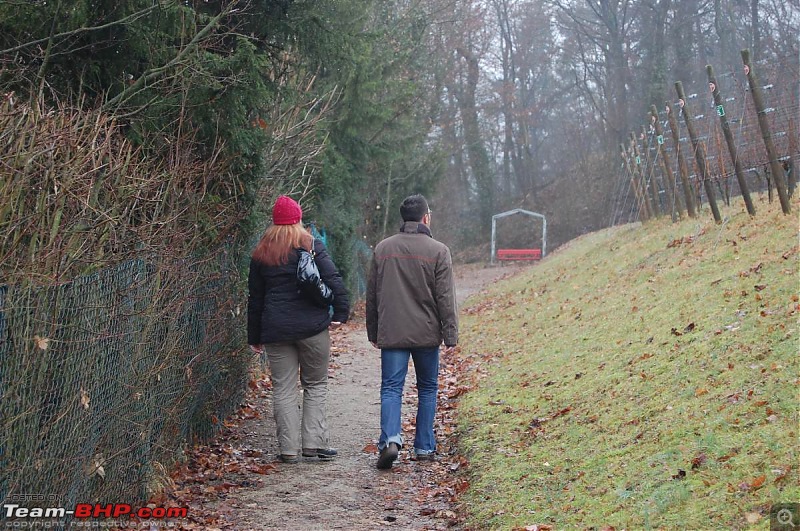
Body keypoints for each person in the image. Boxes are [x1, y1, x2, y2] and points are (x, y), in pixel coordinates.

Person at [247, 195, 350, 464]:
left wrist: (254, 335)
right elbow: (333, 279)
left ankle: (288, 450)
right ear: (298, 219)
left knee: (283, 388)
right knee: (315, 385)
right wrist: (340, 313)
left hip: (276, 330)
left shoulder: (261, 252)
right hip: (312, 329)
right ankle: (314, 445)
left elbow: (255, 298)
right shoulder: (310, 245)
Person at [366, 194, 458, 470]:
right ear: (426, 218)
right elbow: (445, 298)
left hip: (392, 331)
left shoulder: (383, 249)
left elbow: (372, 296)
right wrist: (450, 334)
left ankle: (390, 440)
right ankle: (424, 446)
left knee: (391, 388)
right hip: (427, 333)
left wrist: (374, 331)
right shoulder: (439, 251)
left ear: (403, 219)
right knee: (428, 388)